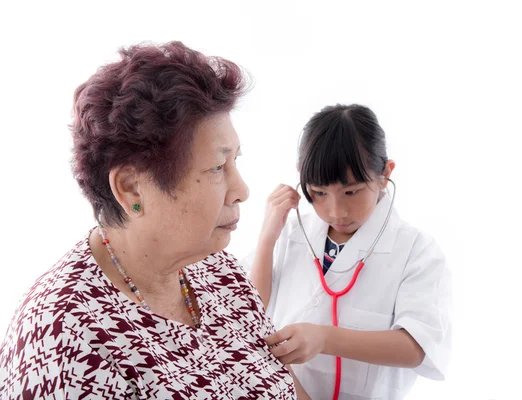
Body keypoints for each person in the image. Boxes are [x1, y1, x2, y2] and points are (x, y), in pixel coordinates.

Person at [0, 41, 306, 399]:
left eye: (236, 161)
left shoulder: (219, 270)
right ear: (131, 189)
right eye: (217, 168)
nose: (242, 190)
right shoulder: (65, 337)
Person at [248, 104, 452, 399]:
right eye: (318, 193)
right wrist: (267, 239)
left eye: (351, 192)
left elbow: (417, 347)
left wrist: (324, 338)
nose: (336, 211)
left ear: (385, 173)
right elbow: (248, 311)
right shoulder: (290, 232)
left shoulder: (416, 250)